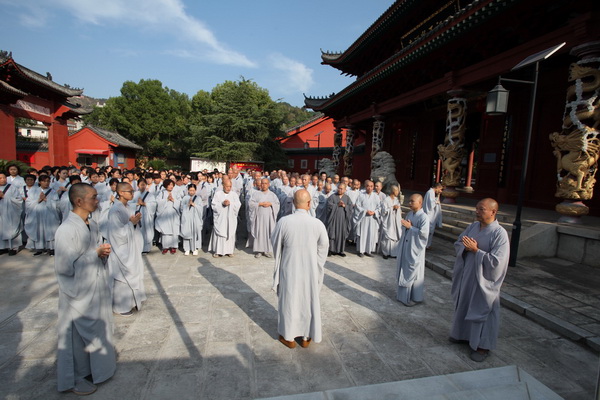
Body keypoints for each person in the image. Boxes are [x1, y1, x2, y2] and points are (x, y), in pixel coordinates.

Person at [54, 183, 115, 395]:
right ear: (79, 201)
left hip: (94, 285)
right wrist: (94, 254)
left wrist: (102, 255)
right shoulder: (66, 230)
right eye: (94, 197)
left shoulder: (92, 224)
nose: (97, 201)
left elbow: (93, 253)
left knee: (98, 330)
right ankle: (76, 377)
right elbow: (63, 267)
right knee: (75, 339)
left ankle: (94, 369)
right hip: (76, 292)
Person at [449, 198, 509, 362]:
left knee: (483, 309)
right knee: (465, 303)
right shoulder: (473, 226)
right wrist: (466, 248)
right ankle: (462, 334)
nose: (477, 212)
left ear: (493, 212)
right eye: (476, 208)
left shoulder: (499, 233)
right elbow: (458, 243)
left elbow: (498, 262)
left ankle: (482, 346)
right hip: (468, 275)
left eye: (481, 209)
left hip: (485, 280)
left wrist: (476, 251)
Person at [271, 189, 329, 348]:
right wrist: (315, 263)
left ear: (294, 203)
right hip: (309, 269)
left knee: (289, 300)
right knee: (307, 300)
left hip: (290, 267)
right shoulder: (317, 224)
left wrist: (282, 255)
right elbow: (324, 247)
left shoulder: (284, 221)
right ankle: (305, 337)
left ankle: (288, 337)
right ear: (309, 204)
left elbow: (275, 242)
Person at [107, 183, 146, 316]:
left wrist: (134, 222)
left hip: (130, 246)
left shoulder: (127, 206)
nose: (132, 193)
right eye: (129, 191)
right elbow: (117, 233)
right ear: (121, 193)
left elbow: (130, 224)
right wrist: (131, 223)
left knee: (134, 272)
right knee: (122, 277)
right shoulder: (115, 210)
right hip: (121, 248)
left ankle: (132, 301)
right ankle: (120, 306)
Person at [396, 194, 429, 306]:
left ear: (420, 203)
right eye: (409, 201)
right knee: (404, 269)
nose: (409, 203)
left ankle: (414, 297)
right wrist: (406, 227)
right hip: (406, 246)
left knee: (415, 273)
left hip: (416, 250)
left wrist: (411, 228)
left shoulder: (423, 217)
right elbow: (405, 227)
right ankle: (403, 296)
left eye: (412, 201)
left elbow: (424, 235)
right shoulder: (410, 214)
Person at [24, 175, 60, 256]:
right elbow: (28, 203)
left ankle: (51, 248)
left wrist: (46, 200)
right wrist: (39, 200)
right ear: (39, 182)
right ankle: (39, 248)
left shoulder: (53, 192)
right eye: (44, 181)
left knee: (50, 231)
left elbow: (57, 204)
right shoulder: (33, 191)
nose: (46, 183)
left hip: (49, 214)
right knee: (39, 230)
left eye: (48, 181)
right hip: (37, 214)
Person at [248, 178, 280, 258]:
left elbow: (277, 204)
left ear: (268, 184)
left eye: (265, 183)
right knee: (259, 232)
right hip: (259, 217)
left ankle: (267, 250)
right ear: (260, 184)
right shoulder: (256, 194)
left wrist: (271, 204)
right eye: (262, 183)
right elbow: (251, 204)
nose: (264, 185)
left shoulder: (273, 195)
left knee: (268, 232)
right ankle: (259, 250)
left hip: (269, 218)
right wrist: (259, 204)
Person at [209, 179, 241, 257]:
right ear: (223, 185)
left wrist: (230, 204)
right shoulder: (218, 194)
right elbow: (213, 205)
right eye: (227, 186)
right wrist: (222, 204)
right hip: (220, 219)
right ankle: (218, 251)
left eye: (230, 186)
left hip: (230, 218)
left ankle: (229, 251)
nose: (228, 188)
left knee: (230, 232)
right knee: (220, 233)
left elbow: (238, 204)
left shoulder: (234, 194)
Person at [354, 180, 380, 257]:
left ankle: (368, 250)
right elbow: (357, 206)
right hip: (363, 218)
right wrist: (365, 211)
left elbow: (379, 207)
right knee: (363, 234)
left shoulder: (376, 196)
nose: (369, 188)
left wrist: (375, 212)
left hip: (372, 219)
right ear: (365, 186)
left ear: (373, 187)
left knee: (370, 234)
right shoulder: (361, 195)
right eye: (368, 186)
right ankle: (361, 251)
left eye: (371, 186)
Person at [0, 171, 24, 255]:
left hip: (11, 213)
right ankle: (2, 247)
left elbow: (19, 200)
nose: (3, 179)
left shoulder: (12, 188)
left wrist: (4, 197)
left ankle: (13, 248)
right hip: (1, 214)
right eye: (0, 178)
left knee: (12, 229)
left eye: (4, 178)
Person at [326, 183, 352, 257]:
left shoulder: (347, 198)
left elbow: (350, 208)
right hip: (333, 219)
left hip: (342, 220)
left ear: (345, 190)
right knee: (332, 233)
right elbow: (328, 206)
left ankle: (340, 250)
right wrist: (337, 205)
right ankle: (331, 250)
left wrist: (345, 206)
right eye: (339, 188)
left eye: (341, 189)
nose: (339, 190)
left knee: (341, 234)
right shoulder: (332, 196)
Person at [155, 178, 181, 254]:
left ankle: (174, 246)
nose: (171, 186)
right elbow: (158, 202)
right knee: (165, 230)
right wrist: (166, 200)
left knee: (174, 229)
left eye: (172, 185)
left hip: (174, 213)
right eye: (169, 185)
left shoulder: (176, 193)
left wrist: (173, 200)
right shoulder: (161, 193)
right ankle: (165, 246)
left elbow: (180, 202)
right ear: (166, 186)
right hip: (164, 214)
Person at [378, 184, 402, 259]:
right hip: (388, 221)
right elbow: (383, 211)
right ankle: (385, 253)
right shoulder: (386, 200)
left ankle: (393, 253)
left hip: (395, 222)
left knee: (395, 237)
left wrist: (397, 208)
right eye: (396, 191)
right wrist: (392, 208)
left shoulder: (396, 200)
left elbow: (399, 210)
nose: (398, 192)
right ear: (393, 191)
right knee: (387, 237)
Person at [180, 184, 203, 256]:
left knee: (195, 233)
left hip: (195, 218)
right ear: (188, 190)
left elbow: (201, 208)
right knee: (187, 232)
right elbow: (181, 208)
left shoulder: (198, 198)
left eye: (193, 190)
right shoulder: (185, 198)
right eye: (190, 190)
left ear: (195, 191)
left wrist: (194, 204)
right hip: (187, 218)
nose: (191, 192)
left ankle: (195, 248)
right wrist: (187, 205)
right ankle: (187, 248)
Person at [423, 183, 444, 248]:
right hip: (430, 215)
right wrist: (436, 201)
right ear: (437, 187)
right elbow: (431, 205)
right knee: (429, 231)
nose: (441, 191)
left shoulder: (432, 193)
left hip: (432, 215)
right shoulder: (430, 192)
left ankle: (428, 244)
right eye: (440, 189)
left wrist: (438, 196)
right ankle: (426, 245)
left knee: (430, 231)